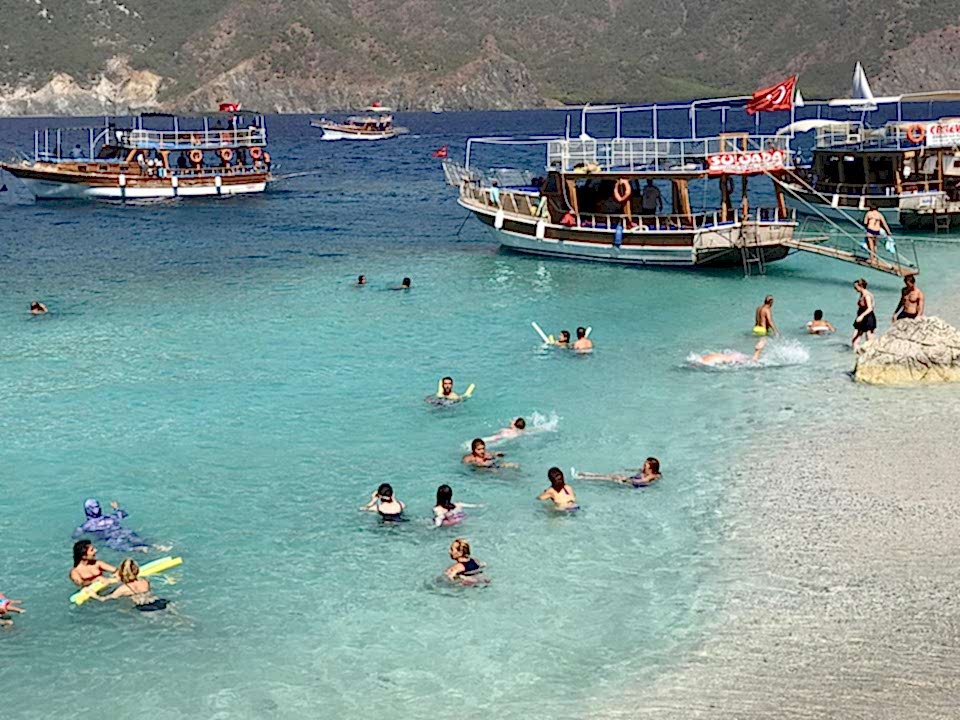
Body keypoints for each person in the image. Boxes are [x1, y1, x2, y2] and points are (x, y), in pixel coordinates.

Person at [93, 558, 168, 612]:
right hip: (157, 601)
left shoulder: (123, 589)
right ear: (137, 570)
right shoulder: (145, 581)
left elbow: (104, 599)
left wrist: (93, 594)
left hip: (144, 607)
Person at [74, 498, 148, 552]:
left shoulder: (87, 526)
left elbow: (75, 536)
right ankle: (152, 545)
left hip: (112, 538)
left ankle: (135, 549)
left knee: (112, 544)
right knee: (137, 539)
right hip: (124, 531)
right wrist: (116, 508)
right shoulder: (111, 517)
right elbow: (123, 514)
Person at [576, 457, 661, 488]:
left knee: (610, 478)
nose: (644, 464)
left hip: (634, 485)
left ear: (651, 466)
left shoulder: (652, 475)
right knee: (611, 476)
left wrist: (626, 480)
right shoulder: (643, 471)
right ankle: (588, 474)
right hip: (630, 480)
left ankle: (586, 478)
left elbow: (643, 481)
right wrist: (626, 470)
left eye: (646, 463)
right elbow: (636, 470)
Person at [698, 338, 766, 366]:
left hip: (733, 357)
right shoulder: (705, 358)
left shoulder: (706, 361)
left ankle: (758, 350)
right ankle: (758, 350)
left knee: (752, 362)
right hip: (732, 355)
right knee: (750, 361)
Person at [852, 278, 877, 349]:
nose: (854, 288)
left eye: (856, 287)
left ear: (861, 286)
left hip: (868, 318)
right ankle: (854, 353)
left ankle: (871, 352)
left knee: (869, 339)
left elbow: (870, 308)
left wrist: (861, 316)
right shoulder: (862, 294)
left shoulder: (867, 295)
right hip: (861, 317)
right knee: (855, 339)